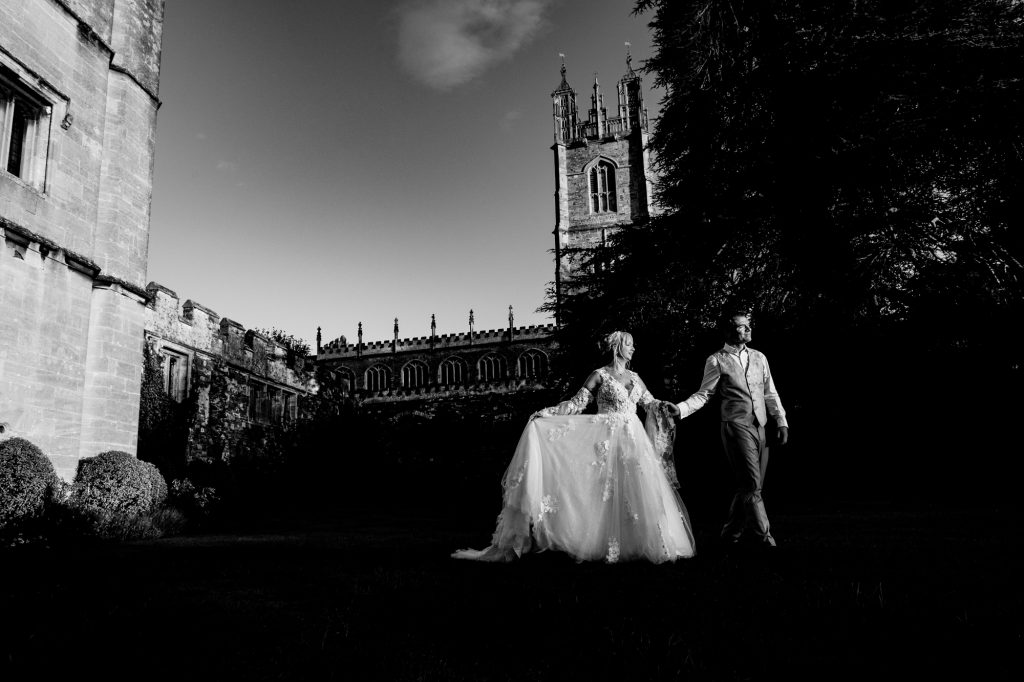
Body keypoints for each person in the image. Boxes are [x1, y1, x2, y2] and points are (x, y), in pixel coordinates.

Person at [453, 331, 695, 563]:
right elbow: (577, 403)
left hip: (634, 440)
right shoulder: (599, 375)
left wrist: (664, 406)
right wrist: (548, 413)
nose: (633, 348)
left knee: (638, 489)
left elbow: (649, 402)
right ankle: (605, 543)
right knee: (605, 492)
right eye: (629, 344)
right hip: (607, 439)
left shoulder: (636, 377)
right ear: (617, 347)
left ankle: (648, 542)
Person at [675, 311, 789, 550]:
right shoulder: (716, 360)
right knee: (751, 484)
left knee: (750, 486)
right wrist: (680, 409)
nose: (747, 329)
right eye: (741, 326)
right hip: (735, 426)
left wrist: (781, 421)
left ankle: (730, 536)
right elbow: (704, 394)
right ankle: (766, 540)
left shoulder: (760, 357)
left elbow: (770, 392)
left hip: (761, 426)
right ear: (728, 330)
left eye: (748, 326)